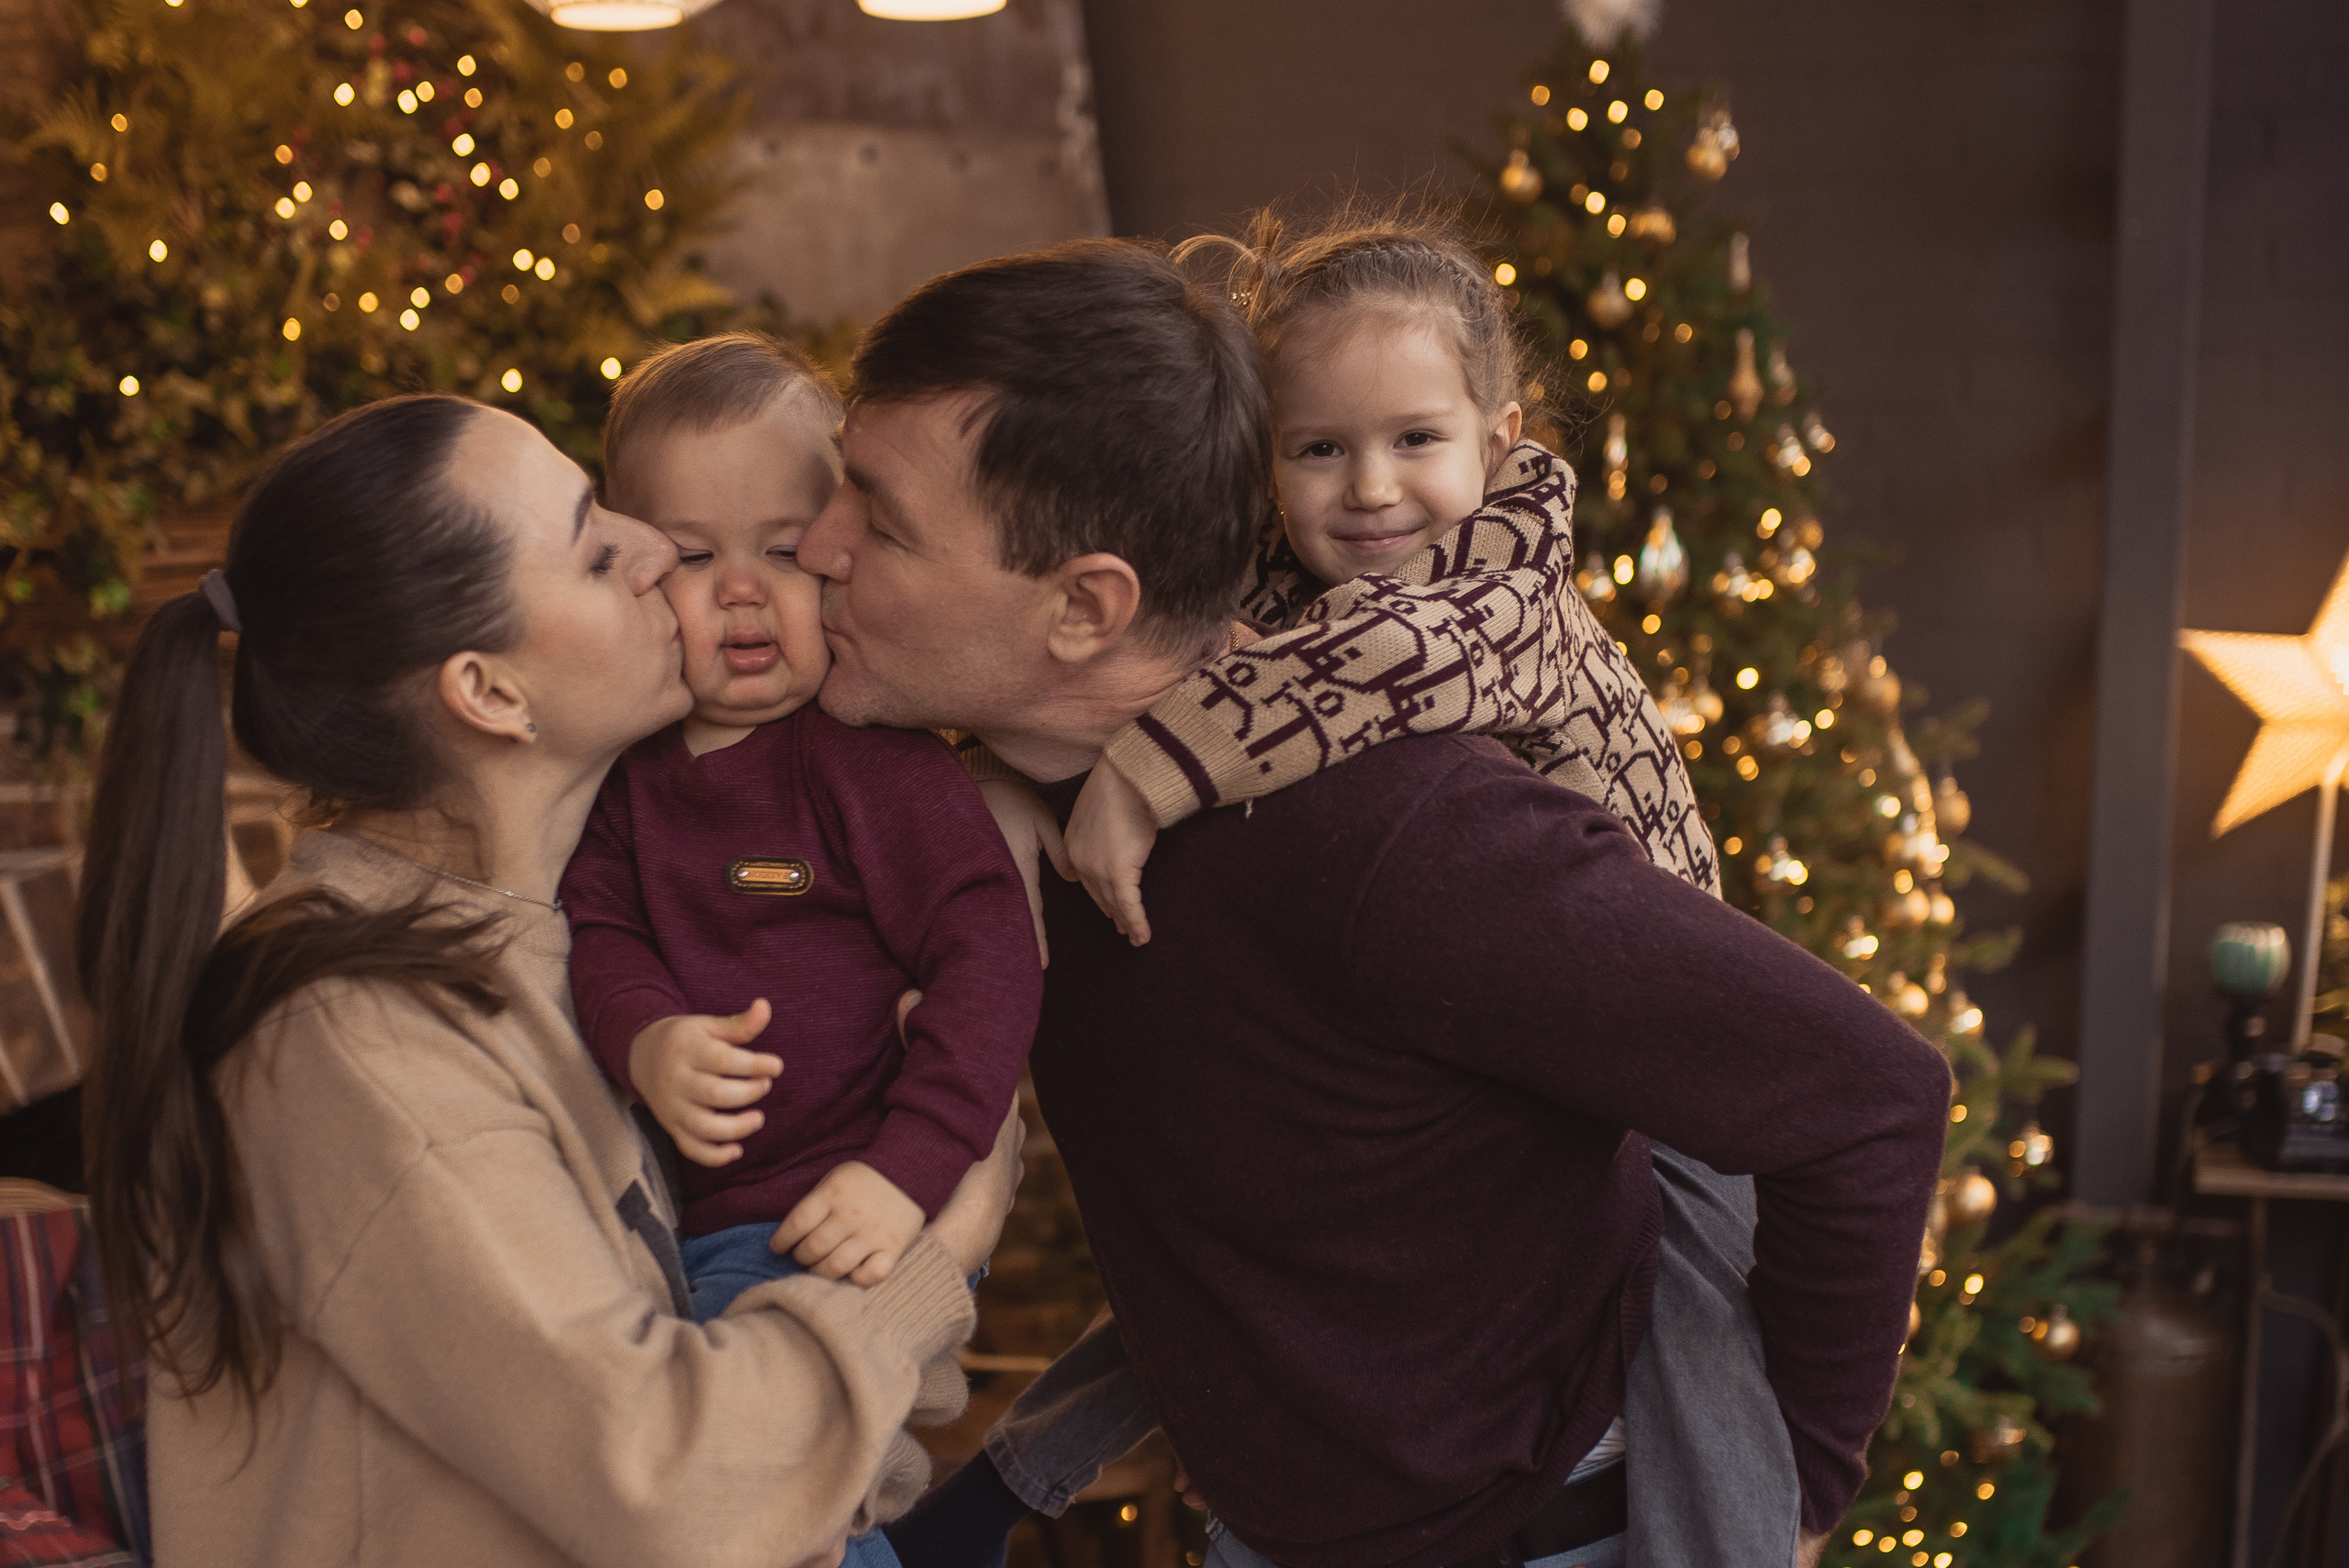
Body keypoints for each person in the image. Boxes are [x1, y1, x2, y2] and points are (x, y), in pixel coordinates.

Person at [802, 240, 1953, 1568]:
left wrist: (1794, 1493)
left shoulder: (1395, 835)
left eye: (877, 520)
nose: (818, 546)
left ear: (1085, 608)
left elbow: (1871, 1093)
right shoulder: (974, 804)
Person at [74, 394, 1020, 1568]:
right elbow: (672, 1482)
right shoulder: (356, 1038)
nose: (647, 548)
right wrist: (940, 1247)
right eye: (592, 545)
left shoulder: (560, 946)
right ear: (489, 692)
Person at [559, 334, 1041, 1321]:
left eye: (782, 549)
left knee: (739, 1432)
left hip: (849, 1201)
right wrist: (647, 1036)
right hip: (670, 1222)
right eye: (694, 555)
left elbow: (990, 954)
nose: (742, 587)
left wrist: (907, 1171)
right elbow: (597, 928)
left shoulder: (873, 762)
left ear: (837, 550)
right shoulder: (623, 770)